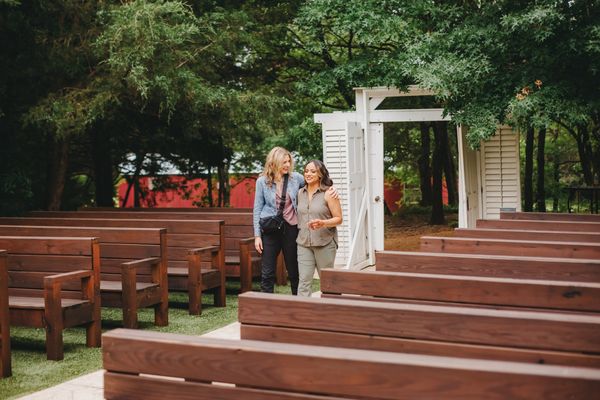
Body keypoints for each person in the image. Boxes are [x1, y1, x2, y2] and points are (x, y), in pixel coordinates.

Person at [253, 147, 337, 295]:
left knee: (294, 271)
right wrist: (257, 236)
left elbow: (316, 183)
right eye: (283, 162)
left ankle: (297, 303)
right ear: (274, 163)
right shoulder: (262, 182)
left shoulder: (296, 178)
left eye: (288, 161)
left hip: (291, 229)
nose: (287, 165)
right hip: (270, 230)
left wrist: (332, 188)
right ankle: (265, 310)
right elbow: (257, 209)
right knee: (267, 273)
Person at [296, 159, 342, 297]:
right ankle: (303, 314)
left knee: (328, 282)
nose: (308, 174)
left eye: (313, 171)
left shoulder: (329, 193)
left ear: (320, 174)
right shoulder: (300, 193)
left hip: (325, 242)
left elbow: (339, 219)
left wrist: (323, 223)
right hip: (304, 243)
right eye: (306, 171)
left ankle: (331, 312)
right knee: (304, 281)